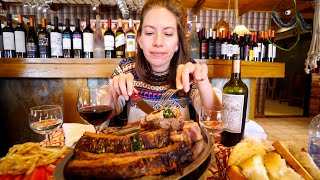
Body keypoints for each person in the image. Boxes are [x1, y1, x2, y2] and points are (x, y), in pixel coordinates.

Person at [108, 0, 221, 124]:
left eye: (168, 34)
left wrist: (202, 83)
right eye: (150, 33)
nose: (158, 42)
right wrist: (113, 93)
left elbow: (214, 117)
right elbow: (103, 112)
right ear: (140, 39)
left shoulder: (189, 71)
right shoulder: (127, 67)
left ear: (178, 42)